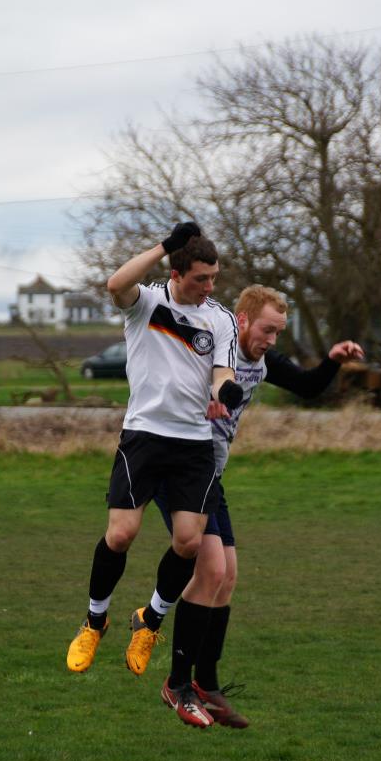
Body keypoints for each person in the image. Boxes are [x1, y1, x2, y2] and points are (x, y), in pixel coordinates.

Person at [152, 285, 364, 728]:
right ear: (243, 320)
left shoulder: (262, 361)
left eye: (278, 332)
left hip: (210, 475)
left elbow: (307, 386)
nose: (271, 340)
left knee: (227, 576)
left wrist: (332, 360)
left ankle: (206, 684)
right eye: (267, 330)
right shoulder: (212, 350)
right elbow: (166, 385)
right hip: (179, 468)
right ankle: (177, 684)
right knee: (210, 571)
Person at [66, 222, 242, 692]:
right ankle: (94, 622)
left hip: (193, 444)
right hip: (143, 436)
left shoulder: (221, 319)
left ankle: (150, 620)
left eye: (215, 278)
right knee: (121, 534)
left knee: (188, 542)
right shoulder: (146, 302)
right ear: (176, 273)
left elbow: (221, 372)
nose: (210, 287)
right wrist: (165, 244)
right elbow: (115, 284)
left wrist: (226, 390)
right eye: (202, 278)